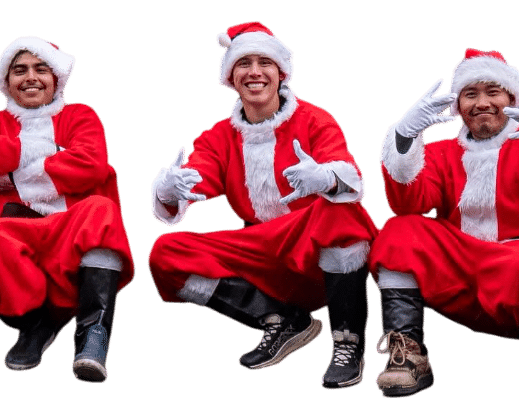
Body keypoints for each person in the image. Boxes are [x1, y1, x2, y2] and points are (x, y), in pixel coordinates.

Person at [147, 21, 377, 389]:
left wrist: (328, 178)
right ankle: (282, 319)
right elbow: (198, 175)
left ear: (281, 73)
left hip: (316, 257)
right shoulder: (217, 137)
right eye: (243, 63)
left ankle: (347, 343)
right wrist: (170, 188)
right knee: (166, 253)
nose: (254, 72)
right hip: (262, 257)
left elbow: (350, 176)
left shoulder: (315, 119)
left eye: (264, 62)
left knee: (341, 211)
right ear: (230, 78)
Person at [371, 48, 519, 397]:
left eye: (493, 92)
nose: (482, 103)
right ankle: (408, 352)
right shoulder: (441, 152)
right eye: (470, 95)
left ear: (512, 99)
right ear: (458, 107)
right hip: (463, 264)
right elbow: (407, 203)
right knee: (400, 230)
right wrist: (404, 137)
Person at [0, 36, 134, 383]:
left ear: (57, 79)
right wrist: (52, 151)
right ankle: (36, 323)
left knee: (101, 210)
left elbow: (91, 165)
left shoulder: (81, 114)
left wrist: (9, 176)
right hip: (15, 230)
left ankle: (93, 335)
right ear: (7, 82)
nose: (30, 77)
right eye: (19, 70)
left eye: (41, 69)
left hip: (70, 229)